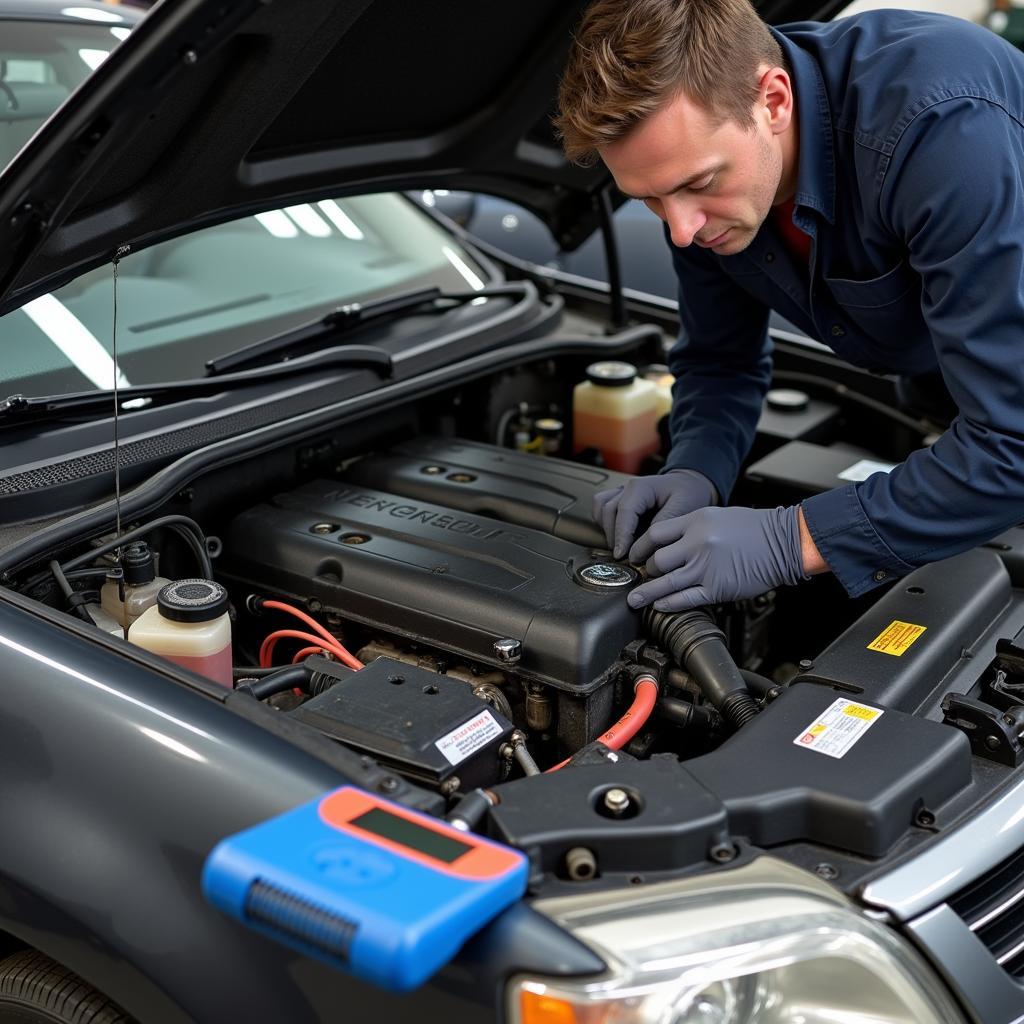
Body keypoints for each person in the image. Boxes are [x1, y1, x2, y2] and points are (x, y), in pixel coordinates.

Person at [554, 0, 1024, 613]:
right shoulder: (699, 201)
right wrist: (694, 472)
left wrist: (789, 541)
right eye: (649, 199)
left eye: (698, 184)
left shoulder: (940, 129)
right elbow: (722, 360)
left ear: (772, 100)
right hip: (955, 388)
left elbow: (1013, 443)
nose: (681, 229)